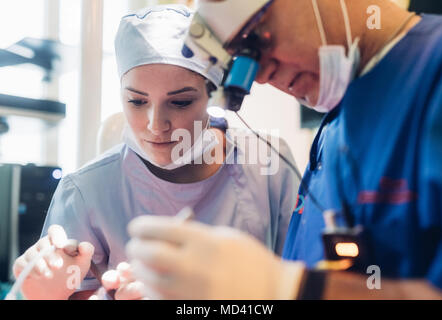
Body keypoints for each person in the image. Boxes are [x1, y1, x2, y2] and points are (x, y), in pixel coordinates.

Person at [126, 0, 442, 299]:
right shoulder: (336, 129)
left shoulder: (439, 72)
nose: (262, 76)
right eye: (242, 56)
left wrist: (284, 287)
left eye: (257, 40)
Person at [11, 4, 299, 300]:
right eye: (137, 101)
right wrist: (44, 295)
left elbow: (310, 283)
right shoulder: (84, 191)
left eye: (181, 102)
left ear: (215, 94)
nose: (156, 125)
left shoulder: (269, 166)